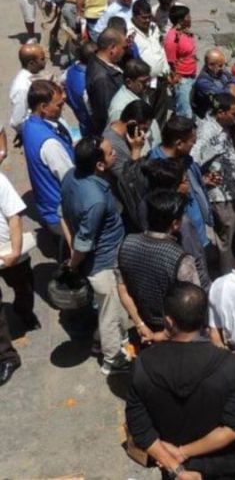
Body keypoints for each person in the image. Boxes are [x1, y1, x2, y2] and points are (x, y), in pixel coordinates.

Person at [125, 282, 235, 479]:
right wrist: (182, 452)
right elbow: (233, 429)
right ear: (202, 320)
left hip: (172, 468)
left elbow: (139, 428)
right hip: (222, 468)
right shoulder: (228, 365)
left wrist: (176, 467)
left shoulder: (143, 365)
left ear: (168, 322)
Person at [61, 137, 131, 375]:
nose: (115, 155)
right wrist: (72, 265)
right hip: (103, 264)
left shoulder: (70, 176)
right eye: (111, 153)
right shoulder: (96, 201)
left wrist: (71, 250)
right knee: (110, 312)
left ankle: (99, 340)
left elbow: (62, 215)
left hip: (100, 260)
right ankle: (113, 360)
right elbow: (84, 242)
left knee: (107, 309)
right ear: (99, 165)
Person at [117, 190, 200, 343]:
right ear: (175, 223)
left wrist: (140, 324)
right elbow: (191, 306)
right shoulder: (181, 259)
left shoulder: (127, 243)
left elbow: (123, 290)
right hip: (174, 331)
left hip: (144, 325)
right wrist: (163, 335)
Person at [191, 93, 235, 274]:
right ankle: (227, 275)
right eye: (233, 114)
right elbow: (192, 160)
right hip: (220, 197)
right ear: (220, 113)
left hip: (232, 192)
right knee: (226, 242)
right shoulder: (206, 132)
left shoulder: (225, 127)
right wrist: (203, 179)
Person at [149, 115, 213, 262]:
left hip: (197, 235)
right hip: (181, 242)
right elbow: (157, 205)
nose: (194, 145)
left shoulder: (185, 159)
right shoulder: (156, 167)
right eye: (192, 142)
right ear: (179, 143)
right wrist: (177, 194)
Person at [140, 158, 210, 289]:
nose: (188, 184)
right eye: (184, 181)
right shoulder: (182, 223)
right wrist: (205, 289)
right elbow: (196, 261)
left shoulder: (145, 204)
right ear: (172, 188)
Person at [21, 80, 74, 240]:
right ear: (43, 107)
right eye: (58, 105)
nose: (62, 107)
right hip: (61, 214)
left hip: (46, 205)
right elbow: (71, 181)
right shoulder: (50, 144)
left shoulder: (29, 125)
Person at [0, 172, 38, 333]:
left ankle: (24, 311)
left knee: (24, 286)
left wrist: (16, 251)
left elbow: (14, 214)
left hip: (8, 248)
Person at [130, 0, 170, 125]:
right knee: (146, 114)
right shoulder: (129, 33)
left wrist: (166, 69)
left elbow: (160, 48)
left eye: (149, 17)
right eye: (144, 18)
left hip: (161, 79)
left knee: (161, 112)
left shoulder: (154, 27)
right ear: (135, 17)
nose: (147, 21)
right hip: (145, 84)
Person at [8, 43, 47, 154]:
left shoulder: (32, 76)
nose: (45, 60)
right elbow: (16, 121)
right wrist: (25, 133)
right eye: (42, 58)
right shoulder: (23, 88)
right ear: (31, 63)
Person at [86, 27, 124, 135]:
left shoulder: (99, 60)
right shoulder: (102, 79)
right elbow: (108, 114)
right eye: (123, 48)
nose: (124, 52)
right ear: (112, 48)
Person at [102, 99, 151, 180]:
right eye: (144, 129)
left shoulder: (118, 124)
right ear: (132, 124)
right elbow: (129, 181)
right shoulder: (112, 146)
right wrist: (136, 150)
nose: (144, 134)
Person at [163, 5, 196, 118]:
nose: (191, 18)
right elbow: (170, 62)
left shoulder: (185, 32)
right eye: (188, 16)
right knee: (184, 113)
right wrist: (176, 79)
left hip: (191, 76)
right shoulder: (172, 39)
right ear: (180, 20)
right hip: (182, 80)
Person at [192, 49, 235, 119]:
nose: (223, 68)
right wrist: (233, 87)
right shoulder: (203, 82)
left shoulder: (219, 70)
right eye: (220, 65)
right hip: (209, 118)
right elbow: (226, 95)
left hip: (224, 113)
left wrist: (232, 88)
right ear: (210, 65)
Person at [63, 41, 95, 138]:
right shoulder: (87, 83)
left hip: (79, 115)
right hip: (90, 124)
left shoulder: (69, 70)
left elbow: (61, 84)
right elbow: (91, 112)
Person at [107, 57, 150, 124]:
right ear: (129, 82)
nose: (148, 84)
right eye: (143, 81)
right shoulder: (120, 109)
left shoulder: (141, 93)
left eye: (148, 80)